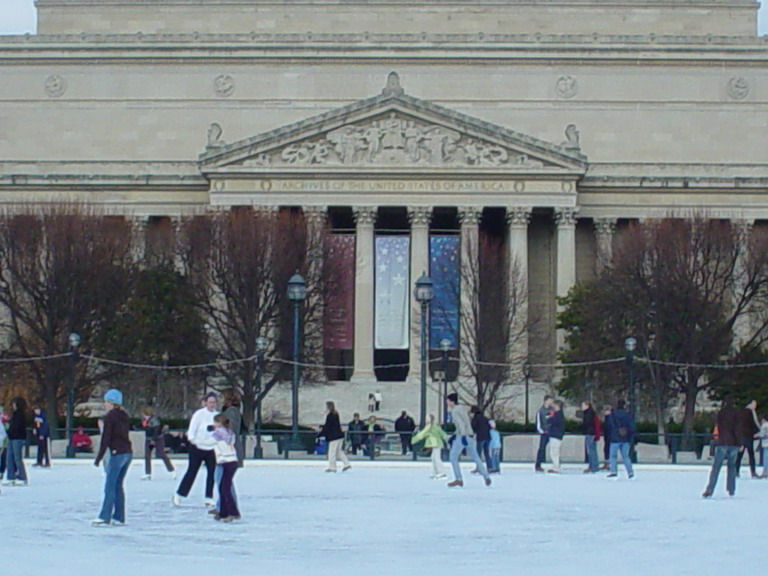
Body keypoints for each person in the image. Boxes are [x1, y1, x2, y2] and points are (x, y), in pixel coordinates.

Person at [92, 389, 133, 526]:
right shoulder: (124, 416)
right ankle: (119, 517)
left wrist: (98, 458)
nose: (105, 404)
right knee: (118, 485)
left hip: (117, 453)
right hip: (127, 453)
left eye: (106, 402)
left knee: (110, 486)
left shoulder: (110, 417)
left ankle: (105, 516)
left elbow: (106, 439)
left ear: (112, 403)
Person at [173, 392, 218, 507]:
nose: (212, 404)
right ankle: (179, 494)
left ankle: (208, 496)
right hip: (197, 447)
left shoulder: (218, 416)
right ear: (206, 403)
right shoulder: (199, 414)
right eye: (210, 402)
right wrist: (192, 440)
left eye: (214, 402)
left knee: (212, 473)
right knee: (192, 472)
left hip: (211, 448)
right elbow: (192, 428)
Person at [445, 393, 491, 488]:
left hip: (463, 436)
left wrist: (461, 436)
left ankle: (459, 479)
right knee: (475, 457)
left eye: (448, 400)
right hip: (470, 436)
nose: (447, 402)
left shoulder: (455, 411)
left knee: (453, 457)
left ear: (451, 401)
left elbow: (461, 424)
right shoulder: (462, 409)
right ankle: (486, 476)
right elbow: (466, 423)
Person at [703, 399, 740, 498]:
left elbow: (718, 427)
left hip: (722, 442)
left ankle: (710, 489)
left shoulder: (721, 413)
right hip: (734, 443)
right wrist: (740, 443)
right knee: (732, 467)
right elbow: (738, 429)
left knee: (716, 468)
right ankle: (731, 489)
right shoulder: (737, 413)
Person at [211, 414, 240, 522]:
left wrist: (195, 441)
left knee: (224, 488)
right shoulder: (229, 432)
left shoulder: (218, 433)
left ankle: (232, 512)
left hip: (227, 460)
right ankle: (224, 512)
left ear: (219, 423)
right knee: (224, 487)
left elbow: (209, 443)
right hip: (232, 460)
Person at [140, 406, 175, 480]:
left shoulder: (154, 420)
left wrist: (153, 440)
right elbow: (144, 427)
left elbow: (156, 431)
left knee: (161, 454)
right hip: (149, 439)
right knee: (147, 455)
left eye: (143, 413)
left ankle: (172, 470)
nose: (142, 415)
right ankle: (148, 473)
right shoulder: (145, 420)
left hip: (157, 439)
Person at [411, 414, 449, 479]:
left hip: (437, 444)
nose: (426, 419)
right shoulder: (429, 427)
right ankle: (436, 472)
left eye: (427, 418)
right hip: (434, 444)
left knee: (436, 458)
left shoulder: (432, 427)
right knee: (433, 458)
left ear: (431, 419)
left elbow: (422, 434)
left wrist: (414, 440)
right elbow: (423, 434)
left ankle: (442, 473)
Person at [607, 399, 635, 479]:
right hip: (625, 439)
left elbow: (609, 425)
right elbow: (632, 427)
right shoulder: (628, 415)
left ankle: (614, 471)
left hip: (615, 439)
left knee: (613, 456)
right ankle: (630, 472)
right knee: (626, 456)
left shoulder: (613, 414)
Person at [319, 401, 351, 473]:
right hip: (339, 435)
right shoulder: (336, 414)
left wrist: (320, 434)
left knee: (331, 452)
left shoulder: (330, 415)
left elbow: (328, 426)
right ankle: (347, 464)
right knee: (339, 451)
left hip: (334, 437)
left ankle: (332, 467)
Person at [3, 397, 28, 486]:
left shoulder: (20, 415)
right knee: (9, 458)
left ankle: (22, 477)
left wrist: (10, 431)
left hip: (18, 438)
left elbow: (17, 427)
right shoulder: (14, 415)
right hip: (12, 438)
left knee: (17, 458)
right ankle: (11, 477)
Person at [735, 399, 759, 479]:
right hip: (749, 436)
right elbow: (754, 423)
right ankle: (753, 472)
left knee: (739, 455)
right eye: (754, 404)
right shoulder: (751, 412)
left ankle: (736, 471)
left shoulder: (740, 412)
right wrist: (757, 432)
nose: (755, 406)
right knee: (751, 455)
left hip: (741, 436)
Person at [535, 395, 554, 472]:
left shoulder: (552, 410)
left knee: (554, 449)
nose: (551, 402)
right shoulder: (540, 411)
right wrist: (542, 431)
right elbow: (538, 423)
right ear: (545, 401)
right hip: (544, 433)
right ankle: (538, 465)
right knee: (542, 448)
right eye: (550, 400)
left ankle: (555, 464)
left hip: (552, 432)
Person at [470, 406, 492, 473]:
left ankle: (479, 468)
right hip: (487, 437)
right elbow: (489, 427)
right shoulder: (485, 418)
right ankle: (490, 467)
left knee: (478, 454)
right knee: (486, 453)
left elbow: (473, 427)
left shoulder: (476, 418)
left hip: (480, 437)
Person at [582, 401, 601, 473]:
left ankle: (593, 467)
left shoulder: (588, 414)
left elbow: (587, 424)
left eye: (583, 405)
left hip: (590, 433)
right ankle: (594, 466)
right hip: (592, 433)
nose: (582, 407)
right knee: (592, 450)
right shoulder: (591, 413)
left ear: (587, 406)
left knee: (591, 451)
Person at [548, 400, 565, 473]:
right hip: (555, 435)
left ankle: (556, 467)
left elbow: (552, 422)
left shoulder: (558, 415)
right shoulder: (558, 414)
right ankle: (555, 466)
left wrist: (550, 417)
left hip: (556, 435)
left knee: (554, 452)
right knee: (554, 452)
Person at [601, 404, 613, 470]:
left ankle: (608, 464)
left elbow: (609, 427)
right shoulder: (607, 418)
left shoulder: (609, 418)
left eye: (605, 410)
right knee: (607, 450)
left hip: (609, 437)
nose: (604, 411)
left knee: (608, 450)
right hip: (607, 436)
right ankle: (607, 463)